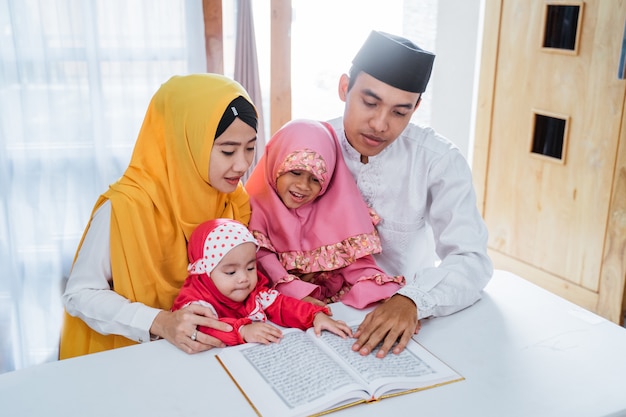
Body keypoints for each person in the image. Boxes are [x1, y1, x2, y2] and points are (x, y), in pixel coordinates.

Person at [60, 74, 259, 359]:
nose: (242, 164)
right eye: (228, 151)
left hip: (208, 358)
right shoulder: (125, 208)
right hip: (130, 359)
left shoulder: (233, 201)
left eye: (250, 148)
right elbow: (80, 294)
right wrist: (160, 322)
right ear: (184, 145)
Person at [327, 31, 493, 358]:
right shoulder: (306, 146)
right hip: (316, 316)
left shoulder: (437, 159)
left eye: (399, 112)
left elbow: (472, 259)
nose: (379, 124)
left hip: (408, 324)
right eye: (370, 103)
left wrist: (412, 300)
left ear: (416, 108)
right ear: (345, 88)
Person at [245, 119, 405, 309]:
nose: (303, 186)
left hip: (332, 313)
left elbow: (358, 267)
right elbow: (264, 263)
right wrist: (298, 293)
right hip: (279, 310)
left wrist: (387, 297)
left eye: (315, 179)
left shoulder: (337, 209)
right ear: (275, 163)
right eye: (295, 172)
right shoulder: (251, 209)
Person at [171, 218, 352, 345]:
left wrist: (314, 316)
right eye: (231, 272)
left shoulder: (253, 291)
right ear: (205, 273)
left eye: (250, 268)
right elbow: (201, 328)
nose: (243, 278)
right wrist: (242, 331)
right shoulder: (196, 302)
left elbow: (281, 305)